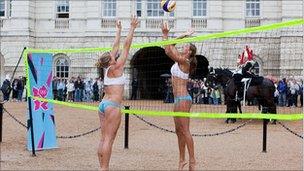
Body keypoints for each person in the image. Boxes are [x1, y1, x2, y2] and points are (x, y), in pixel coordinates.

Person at [95, 16, 138, 170]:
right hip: (112, 106)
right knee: (109, 139)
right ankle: (104, 168)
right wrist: (132, 28)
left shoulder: (106, 67)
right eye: (113, 56)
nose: (115, 55)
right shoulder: (116, 67)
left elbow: (116, 45)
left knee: (103, 138)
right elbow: (126, 46)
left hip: (103, 104)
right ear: (111, 60)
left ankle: (102, 167)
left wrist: (118, 30)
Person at [161, 22, 197, 170]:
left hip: (183, 99)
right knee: (178, 131)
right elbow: (168, 47)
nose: (184, 46)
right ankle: (182, 160)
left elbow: (169, 51)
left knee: (185, 130)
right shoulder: (181, 58)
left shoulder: (185, 61)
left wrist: (165, 34)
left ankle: (193, 160)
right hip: (177, 100)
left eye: (186, 46)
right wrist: (183, 35)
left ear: (189, 52)